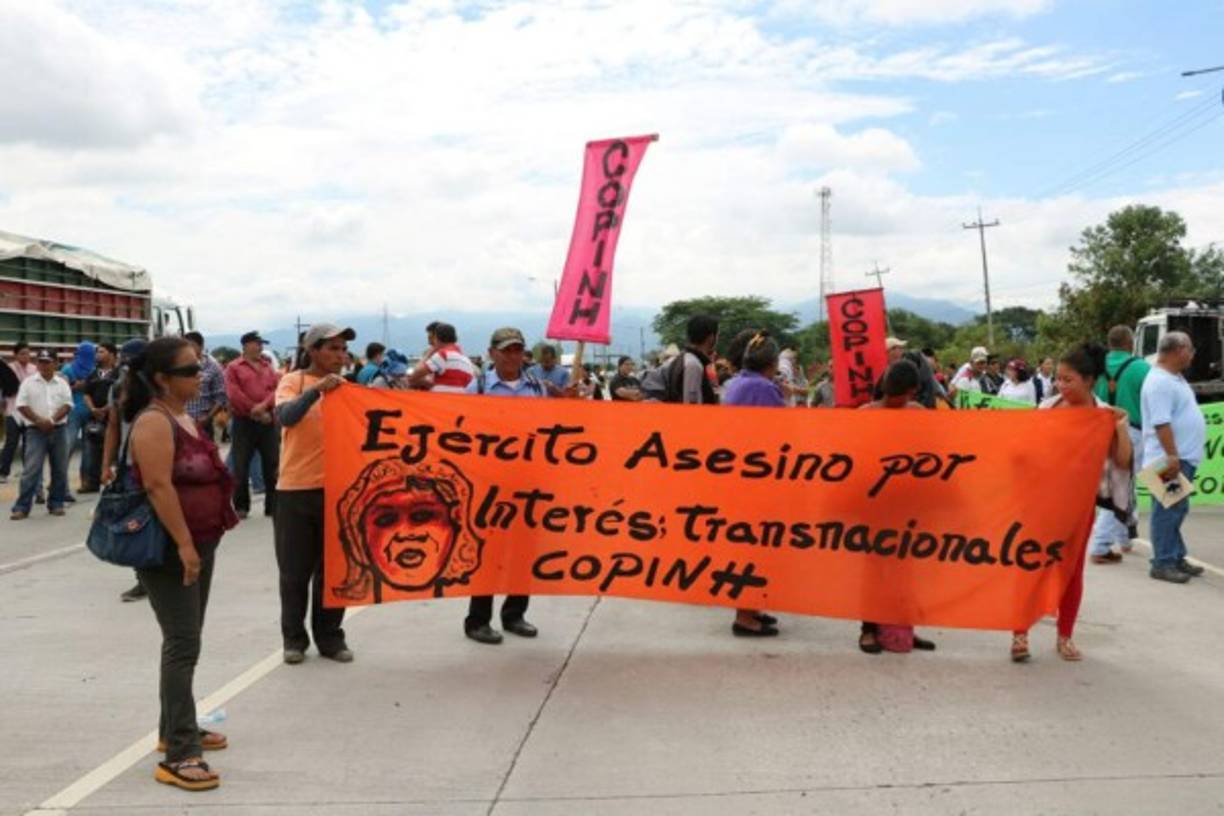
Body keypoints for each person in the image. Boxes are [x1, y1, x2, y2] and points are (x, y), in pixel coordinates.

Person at [125, 336, 237, 791]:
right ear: (162, 379)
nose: (201, 375)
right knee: (182, 644)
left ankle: (174, 728)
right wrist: (186, 546)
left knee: (187, 640)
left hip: (200, 543)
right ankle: (180, 752)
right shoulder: (153, 421)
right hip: (173, 550)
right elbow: (158, 487)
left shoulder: (184, 416)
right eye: (190, 370)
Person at [1010, 344, 1132, 663]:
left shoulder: (1104, 415)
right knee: (1031, 568)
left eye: (1069, 380)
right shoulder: (1047, 409)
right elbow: (1023, 453)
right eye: (1059, 379)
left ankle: (1065, 637)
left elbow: (1122, 461)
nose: (1061, 385)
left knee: (1071, 572)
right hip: (1040, 504)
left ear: (1089, 380)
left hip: (1079, 508)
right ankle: (1020, 633)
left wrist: (1121, 430)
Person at [463, 327, 558, 644]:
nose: (512, 356)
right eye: (506, 350)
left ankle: (515, 614)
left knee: (523, 551)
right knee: (488, 552)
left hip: (528, 483)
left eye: (517, 350)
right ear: (492, 353)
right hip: (489, 484)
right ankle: (477, 620)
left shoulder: (538, 388)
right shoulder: (476, 388)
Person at [274, 323, 357, 664]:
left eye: (343, 350)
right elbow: (286, 417)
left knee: (334, 571)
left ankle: (331, 638)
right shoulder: (292, 382)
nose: (340, 356)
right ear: (312, 351)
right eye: (333, 349)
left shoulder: (349, 389)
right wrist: (316, 391)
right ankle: (294, 640)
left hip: (338, 492)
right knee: (295, 573)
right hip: (295, 489)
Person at [857, 360, 937, 655]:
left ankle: (904, 627)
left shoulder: (918, 414)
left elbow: (934, 455)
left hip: (908, 505)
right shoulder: (865, 415)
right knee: (875, 570)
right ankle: (868, 629)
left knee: (906, 572)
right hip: (875, 506)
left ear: (913, 392)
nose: (899, 399)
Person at [720, 330, 785, 636]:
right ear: (771, 363)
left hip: (737, 478)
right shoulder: (763, 388)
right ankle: (745, 616)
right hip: (757, 479)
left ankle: (751, 608)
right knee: (754, 548)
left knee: (747, 547)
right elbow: (778, 434)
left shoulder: (736, 384)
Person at [1141, 331, 1207, 584]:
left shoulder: (1173, 378)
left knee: (1177, 509)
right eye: (1190, 350)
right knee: (1167, 511)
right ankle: (1163, 562)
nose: (1192, 355)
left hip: (1178, 457)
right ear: (1178, 350)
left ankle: (1175, 555)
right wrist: (1171, 455)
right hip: (1166, 459)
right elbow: (1161, 423)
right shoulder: (1160, 382)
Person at [1088, 325, 1151, 562]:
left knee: (1122, 484)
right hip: (1130, 431)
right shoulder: (1142, 368)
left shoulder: (1096, 367)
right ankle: (1100, 545)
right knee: (1118, 488)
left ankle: (1125, 537)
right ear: (1130, 342)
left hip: (1100, 431)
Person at [102, 338, 152, 603]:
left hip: (154, 465)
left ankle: (155, 576)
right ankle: (144, 578)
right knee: (136, 524)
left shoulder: (159, 388)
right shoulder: (119, 389)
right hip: (131, 466)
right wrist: (107, 464)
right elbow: (112, 427)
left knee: (148, 522)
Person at [9, 351, 73, 520]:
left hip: (59, 429)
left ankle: (56, 503)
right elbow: (22, 405)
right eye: (41, 362)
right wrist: (39, 421)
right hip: (35, 431)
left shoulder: (62, 383)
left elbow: (67, 405)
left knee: (59, 468)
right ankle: (22, 507)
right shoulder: (28, 383)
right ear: (37, 364)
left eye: (48, 362)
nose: (44, 365)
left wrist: (51, 420)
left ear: (55, 364)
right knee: (31, 470)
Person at [224, 331, 281, 519]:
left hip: (268, 420)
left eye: (261, 344)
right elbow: (233, 393)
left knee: (272, 463)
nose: (260, 347)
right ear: (246, 345)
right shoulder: (233, 367)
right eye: (257, 343)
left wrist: (265, 407)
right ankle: (241, 506)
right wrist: (253, 410)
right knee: (241, 465)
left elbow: (276, 390)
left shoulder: (267, 366)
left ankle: (272, 505)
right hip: (244, 421)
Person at [79, 342, 119, 492]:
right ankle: (90, 482)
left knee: (114, 451)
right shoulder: (93, 374)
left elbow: (121, 395)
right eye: (97, 352)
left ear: (112, 354)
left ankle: (114, 480)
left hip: (114, 419)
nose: (98, 355)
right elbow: (86, 394)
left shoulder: (120, 374)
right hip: (95, 418)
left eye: (102, 352)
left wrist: (108, 408)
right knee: (90, 451)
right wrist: (93, 409)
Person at [61, 341, 97, 493]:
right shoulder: (95, 370)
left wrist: (74, 387)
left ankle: (59, 479)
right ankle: (86, 482)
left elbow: (61, 389)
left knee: (66, 447)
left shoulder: (68, 369)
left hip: (72, 410)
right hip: (90, 411)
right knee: (88, 449)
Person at [0, 342, 37, 483]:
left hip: (30, 411)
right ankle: (3, 472)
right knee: (11, 442)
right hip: (12, 410)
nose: (26, 356)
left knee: (29, 443)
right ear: (15, 355)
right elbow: (5, 389)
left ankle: (27, 470)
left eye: (28, 353)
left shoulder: (34, 369)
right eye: (22, 353)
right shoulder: (8, 369)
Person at [183, 332, 227, 442]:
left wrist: (207, 417)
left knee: (204, 456)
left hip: (203, 422)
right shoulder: (178, 365)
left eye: (191, 345)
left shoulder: (213, 367)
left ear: (201, 346)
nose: (187, 349)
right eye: (184, 346)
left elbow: (220, 397)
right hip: (181, 421)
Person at [407, 322, 475, 393]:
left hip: (439, 400)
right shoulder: (466, 361)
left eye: (431, 338)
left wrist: (429, 353)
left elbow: (414, 375)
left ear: (437, 338)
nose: (430, 343)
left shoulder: (443, 355)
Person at [673, 315, 720, 405]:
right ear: (711, 337)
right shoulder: (694, 364)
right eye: (717, 334)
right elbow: (691, 403)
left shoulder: (685, 358)